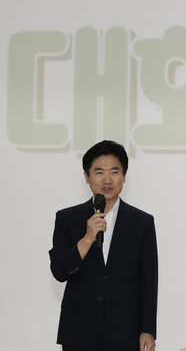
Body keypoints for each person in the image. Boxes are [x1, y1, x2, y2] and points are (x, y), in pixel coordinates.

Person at [49, 140, 158, 351]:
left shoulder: (142, 222)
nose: (107, 179)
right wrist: (87, 239)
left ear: (124, 176)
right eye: (99, 172)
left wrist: (147, 329)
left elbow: (149, 280)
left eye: (114, 172)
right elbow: (59, 271)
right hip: (79, 331)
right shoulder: (67, 218)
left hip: (125, 332)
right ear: (86, 176)